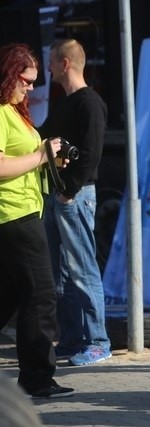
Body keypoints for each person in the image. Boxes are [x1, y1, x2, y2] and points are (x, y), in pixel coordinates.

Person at [0, 42, 74, 398]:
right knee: (40, 293)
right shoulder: (0, 111)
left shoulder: (15, 111)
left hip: (24, 210)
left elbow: (28, 160)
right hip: (13, 214)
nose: (30, 87)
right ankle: (36, 378)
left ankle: (35, 376)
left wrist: (50, 161)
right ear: (9, 74)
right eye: (26, 80)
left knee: (12, 293)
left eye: (33, 82)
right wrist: (42, 154)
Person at [38, 39, 111, 367]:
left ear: (64, 63)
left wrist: (69, 190)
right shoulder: (65, 102)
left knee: (82, 269)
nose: (48, 68)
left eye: (52, 62)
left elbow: (92, 151)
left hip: (75, 196)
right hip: (59, 195)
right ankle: (71, 339)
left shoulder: (89, 102)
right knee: (61, 273)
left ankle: (98, 341)